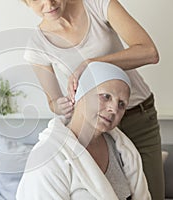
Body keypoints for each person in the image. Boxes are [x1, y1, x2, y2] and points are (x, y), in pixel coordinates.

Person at [21, 0, 164, 198]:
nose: (49, 3)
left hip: (138, 115)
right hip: (95, 128)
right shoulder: (37, 46)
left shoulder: (97, 4)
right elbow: (54, 102)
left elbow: (149, 52)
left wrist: (92, 63)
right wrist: (61, 105)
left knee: (152, 193)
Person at [16, 61, 151, 200]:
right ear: (80, 93)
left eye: (121, 104)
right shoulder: (47, 157)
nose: (114, 108)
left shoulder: (122, 151)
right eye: (106, 96)